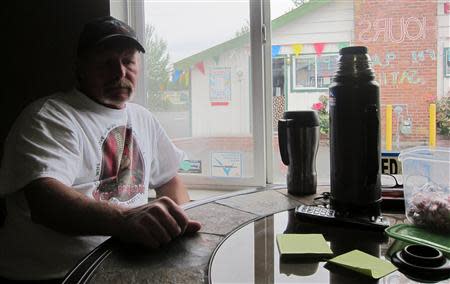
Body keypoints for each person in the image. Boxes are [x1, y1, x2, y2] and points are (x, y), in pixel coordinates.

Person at [0, 16, 201, 281]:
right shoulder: (50, 117)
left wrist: (180, 229)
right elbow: (45, 203)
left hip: (124, 267)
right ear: (80, 67)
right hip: (54, 275)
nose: (120, 73)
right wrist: (125, 221)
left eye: (128, 61)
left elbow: (169, 179)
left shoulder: (142, 118)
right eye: (107, 63)